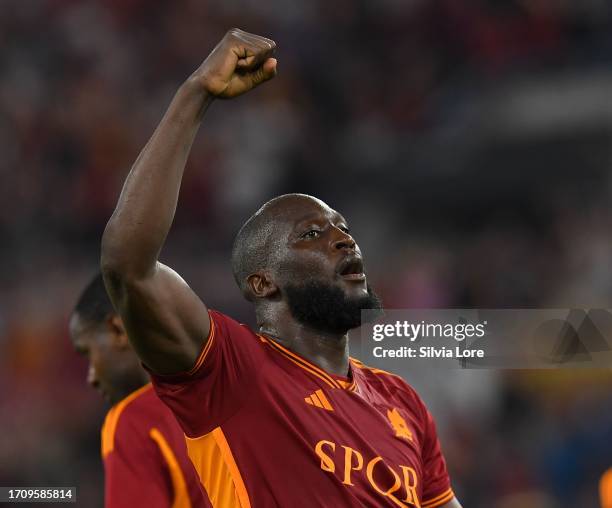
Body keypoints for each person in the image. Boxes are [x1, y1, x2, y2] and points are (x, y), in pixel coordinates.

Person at [100, 28, 462, 508]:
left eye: (343, 228)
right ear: (262, 281)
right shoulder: (230, 373)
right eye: (312, 234)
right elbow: (129, 268)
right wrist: (195, 95)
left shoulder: (403, 403)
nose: (343, 239)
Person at [69, 273, 210, 508]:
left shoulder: (134, 422)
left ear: (117, 330)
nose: (91, 376)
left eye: (88, 353)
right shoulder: (233, 389)